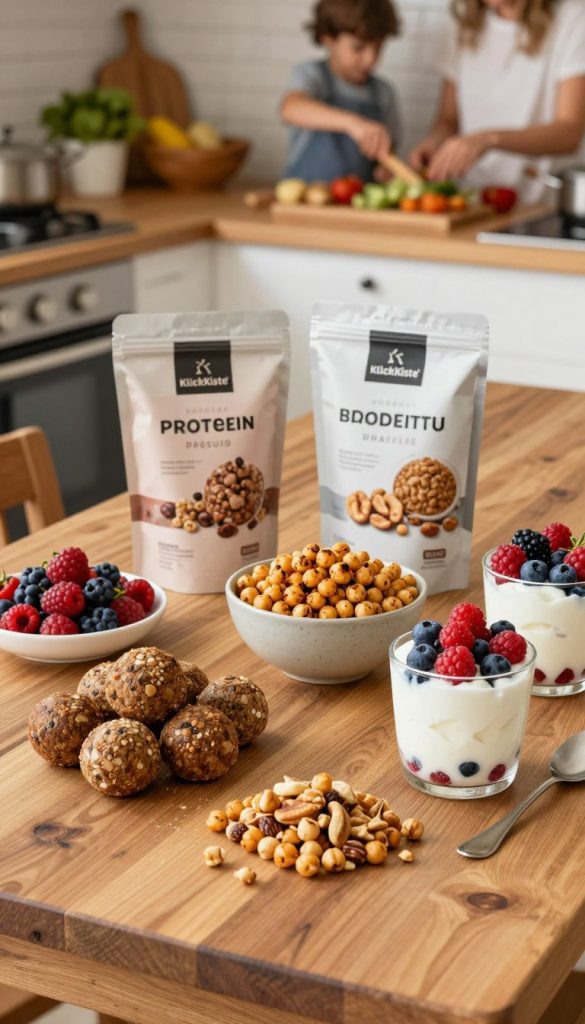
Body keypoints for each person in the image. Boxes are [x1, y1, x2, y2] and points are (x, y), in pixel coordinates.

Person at [409, 0, 585, 201]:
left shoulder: (573, 18)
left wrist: (489, 139)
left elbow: (569, 132)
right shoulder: (463, 23)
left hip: (540, 206)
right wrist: (434, 144)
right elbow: (448, 120)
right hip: (474, 202)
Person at [280, 0, 402, 182]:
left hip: (357, 206)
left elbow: (390, 150)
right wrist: (353, 123)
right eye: (358, 48)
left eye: (378, 48)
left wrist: (385, 169)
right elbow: (291, 109)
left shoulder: (383, 93)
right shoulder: (312, 75)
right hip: (303, 199)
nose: (370, 59)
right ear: (328, 39)